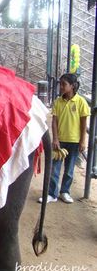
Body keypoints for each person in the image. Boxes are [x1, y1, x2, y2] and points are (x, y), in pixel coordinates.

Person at [39, 74, 90, 204]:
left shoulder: (81, 102)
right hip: (60, 141)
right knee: (54, 168)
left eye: (64, 84)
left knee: (69, 169)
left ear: (72, 86)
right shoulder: (58, 102)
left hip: (74, 141)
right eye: (60, 84)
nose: (61, 87)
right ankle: (52, 193)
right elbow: (54, 122)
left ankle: (65, 192)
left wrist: (82, 140)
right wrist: (55, 139)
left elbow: (84, 123)